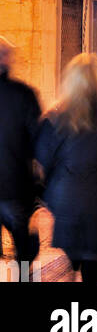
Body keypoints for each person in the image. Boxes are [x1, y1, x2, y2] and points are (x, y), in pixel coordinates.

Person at [36, 53, 97, 285]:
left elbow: (42, 159)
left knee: (75, 259)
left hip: (66, 205)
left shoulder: (55, 119)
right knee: (93, 272)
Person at [0, 35, 41, 280]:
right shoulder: (23, 95)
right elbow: (38, 140)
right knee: (22, 250)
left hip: (14, 185)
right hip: (14, 185)